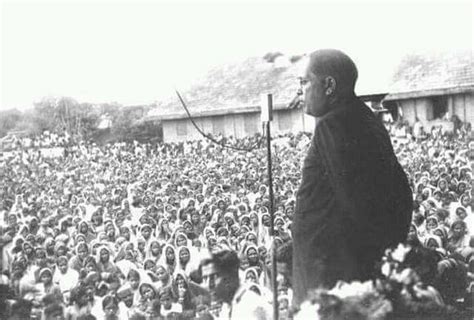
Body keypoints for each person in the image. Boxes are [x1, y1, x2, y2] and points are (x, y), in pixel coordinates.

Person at [292, 49, 413, 306]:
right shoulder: (367, 120)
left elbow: (359, 208)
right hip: (349, 273)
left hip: (331, 278)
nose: (299, 91)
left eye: (304, 82)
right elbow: (402, 193)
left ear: (329, 85)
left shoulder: (333, 125)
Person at [200, 248, 271, 320]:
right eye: (205, 279)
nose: (208, 285)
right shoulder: (227, 306)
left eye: (214, 277)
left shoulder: (250, 305)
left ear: (230, 276)